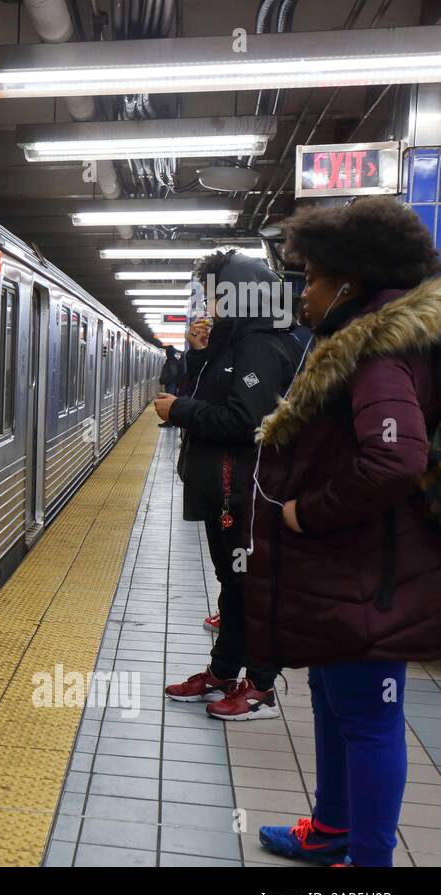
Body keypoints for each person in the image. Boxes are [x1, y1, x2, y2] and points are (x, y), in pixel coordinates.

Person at [244, 198, 441, 867]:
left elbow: (394, 460)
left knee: (368, 718)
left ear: (349, 282)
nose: (304, 294)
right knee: (333, 698)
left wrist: (305, 512)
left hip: (370, 574)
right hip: (350, 572)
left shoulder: (380, 352)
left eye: (313, 279)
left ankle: (369, 866)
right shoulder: (366, 339)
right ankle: (332, 830)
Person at [154, 250, 305, 720]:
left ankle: (260, 687)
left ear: (243, 295)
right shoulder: (237, 344)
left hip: (245, 492)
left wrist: (179, 410)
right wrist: (201, 356)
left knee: (250, 587)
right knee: (233, 585)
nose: (210, 306)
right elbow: (217, 394)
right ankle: (223, 672)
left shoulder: (260, 345)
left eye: (218, 295)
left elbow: (246, 420)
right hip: (225, 489)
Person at [157, 345, 184, 426]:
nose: (166, 353)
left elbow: (173, 373)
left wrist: (166, 380)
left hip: (171, 384)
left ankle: (169, 422)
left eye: (167, 351)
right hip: (171, 384)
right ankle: (170, 421)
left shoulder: (171, 361)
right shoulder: (172, 360)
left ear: (169, 352)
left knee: (170, 402)